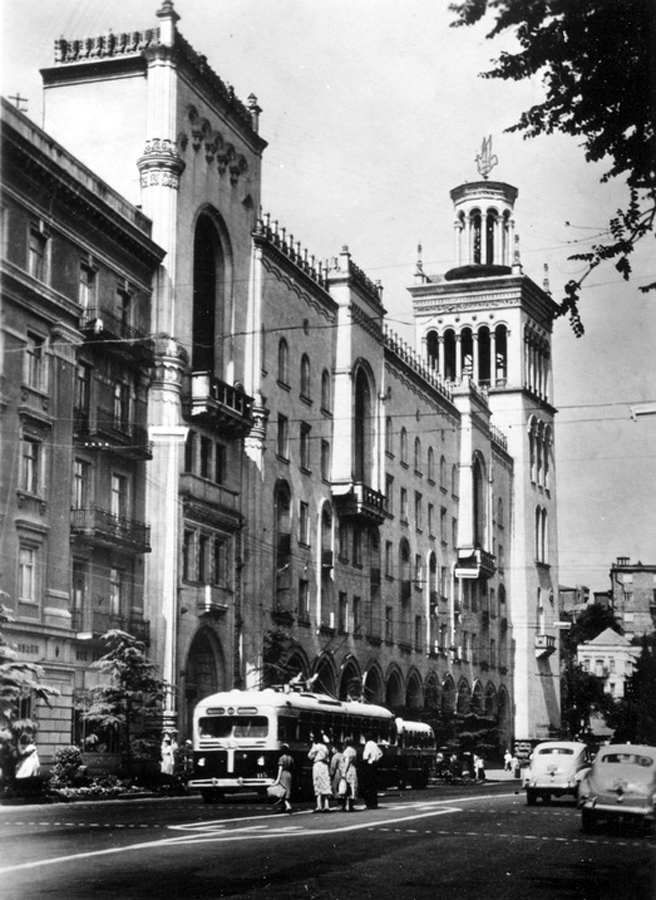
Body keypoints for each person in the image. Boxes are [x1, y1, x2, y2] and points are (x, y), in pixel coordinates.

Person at [308, 733, 332, 812]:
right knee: (325, 783)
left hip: (317, 765)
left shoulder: (316, 746)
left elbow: (310, 756)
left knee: (317, 783)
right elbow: (328, 758)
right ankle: (326, 805)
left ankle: (319, 806)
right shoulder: (325, 747)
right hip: (325, 766)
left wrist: (313, 747)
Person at [361, 732, 382, 809]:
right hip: (375, 765)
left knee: (367, 785)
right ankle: (374, 803)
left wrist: (367, 759)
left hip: (369, 765)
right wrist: (376, 759)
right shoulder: (375, 744)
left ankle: (369, 804)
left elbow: (365, 756)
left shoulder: (368, 744)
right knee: (373, 786)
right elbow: (380, 753)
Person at [272, 743, 294, 813]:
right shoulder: (291, 758)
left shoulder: (281, 758)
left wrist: (277, 779)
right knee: (288, 789)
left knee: (283, 790)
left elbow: (280, 769)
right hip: (289, 774)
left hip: (283, 774)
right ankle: (284, 806)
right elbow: (293, 768)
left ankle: (288, 806)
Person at [340, 737, 359, 812]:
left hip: (348, 770)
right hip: (353, 769)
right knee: (353, 787)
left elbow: (347, 762)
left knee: (347, 787)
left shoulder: (346, 751)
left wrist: (344, 771)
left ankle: (346, 805)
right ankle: (351, 805)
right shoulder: (354, 751)